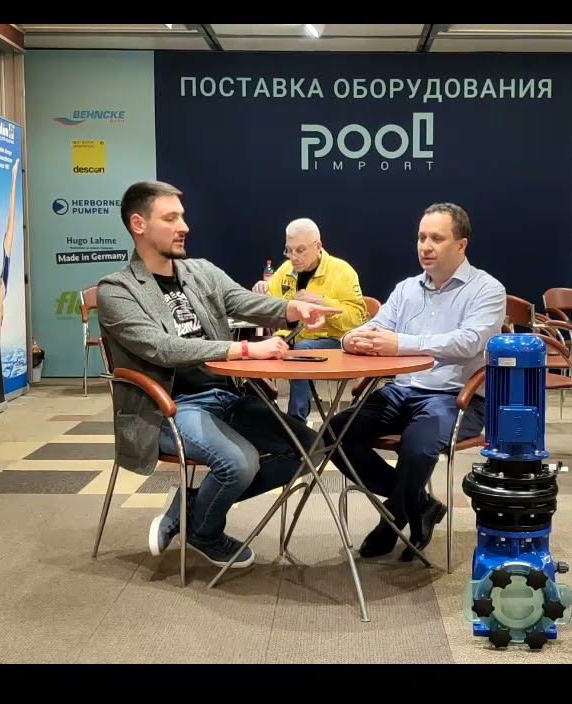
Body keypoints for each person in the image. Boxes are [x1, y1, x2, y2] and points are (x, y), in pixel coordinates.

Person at [98, 180, 340, 569]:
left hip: (226, 397)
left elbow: (244, 301)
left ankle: (191, 507)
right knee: (239, 463)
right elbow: (162, 348)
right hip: (169, 408)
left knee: (314, 447)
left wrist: (293, 310)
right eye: (171, 218)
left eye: (182, 217)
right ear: (138, 224)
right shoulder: (117, 290)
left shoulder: (201, 272)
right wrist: (243, 349)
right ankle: (206, 531)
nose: (184, 226)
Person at [325, 203, 506, 562]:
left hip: (457, 396)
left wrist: (400, 344)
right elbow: (373, 328)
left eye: (437, 238)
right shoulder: (407, 289)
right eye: (422, 237)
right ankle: (419, 504)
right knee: (333, 434)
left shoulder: (487, 289)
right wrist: (349, 340)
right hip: (402, 391)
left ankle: (393, 516)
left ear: (461, 245)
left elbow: (469, 342)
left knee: (417, 447)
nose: (426, 246)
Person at [252, 218, 368, 422]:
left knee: (302, 349)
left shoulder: (342, 271)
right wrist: (259, 293)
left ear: (318, 246)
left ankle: (296, 422)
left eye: (300, 250)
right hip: (292, 339)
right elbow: (272, 309)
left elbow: (358, 318)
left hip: (334, 343)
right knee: (256, 350)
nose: (293, 257)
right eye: (289, 250)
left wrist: (322, 303)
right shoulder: (285, 270)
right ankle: (260, 418)